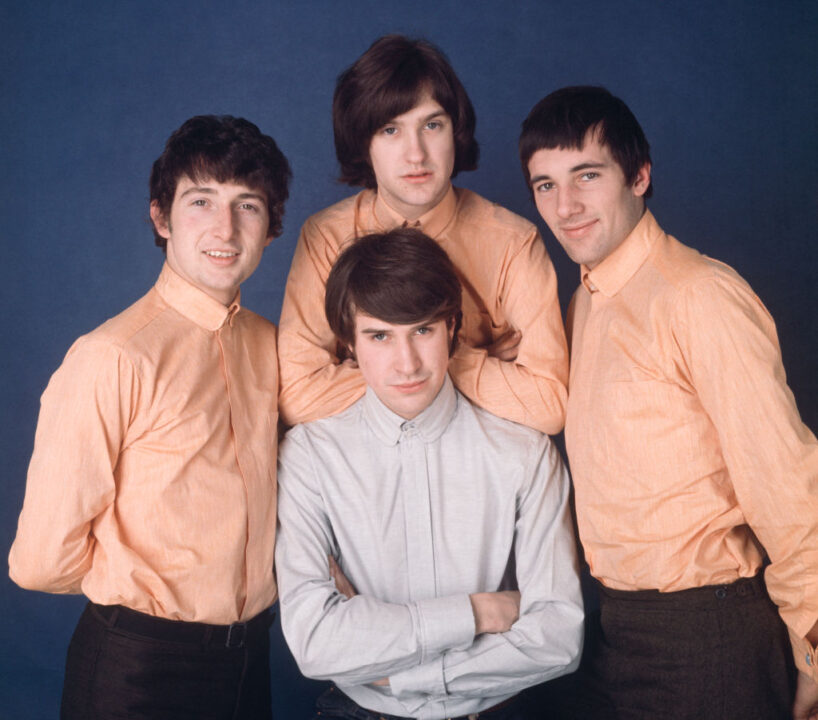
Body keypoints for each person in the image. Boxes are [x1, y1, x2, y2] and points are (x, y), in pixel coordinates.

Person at [519, 85, 818, 720]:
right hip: (617, 630)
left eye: (587, 175)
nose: (565, 205)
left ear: (640, 175)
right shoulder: (585, 300)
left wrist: (816, 644)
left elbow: (789, 480)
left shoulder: (697, 295)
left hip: (710, 633)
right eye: (545, 185)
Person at [9, 115, 291, 720]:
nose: (225, 228)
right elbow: (38, 561)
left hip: (251, 661)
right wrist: (133, 578)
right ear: (161, 218)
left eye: (248, 206)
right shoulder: (112, 355)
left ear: (271, 230)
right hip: (139, 670)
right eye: (201, 201)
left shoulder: (272, 346)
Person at [275, 228, 584, 720]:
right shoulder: (310, 458)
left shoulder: (524, 453)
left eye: (423, 330)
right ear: (348, 344)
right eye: (379, 336)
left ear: (452, 328)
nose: (407, 364)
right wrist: (480, 613)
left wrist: (403, 675)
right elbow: (316, 642)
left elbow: (558, 638)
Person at [277, 34, 568, 435]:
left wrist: (424, 360)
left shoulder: (513, 242)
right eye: (390, 130)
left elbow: (549, 405)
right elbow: (297, 395)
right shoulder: (326, 236)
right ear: (364, 144)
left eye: (432, 125)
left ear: (456, 132)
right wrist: (471, 359)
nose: (416, 154)